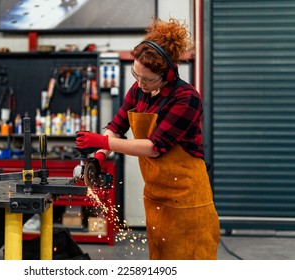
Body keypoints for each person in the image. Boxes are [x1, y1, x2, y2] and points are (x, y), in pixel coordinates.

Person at [75, 17, 220, 260]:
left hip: (187, 199)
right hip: (156, 196)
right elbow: (117, 126)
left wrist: (102, 142)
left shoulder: (186, 98)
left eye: (147, 79)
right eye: (136, 75)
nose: (140, 83)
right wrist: (99, 156)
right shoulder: (138, 91)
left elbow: (154, 147)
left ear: (168, 74)